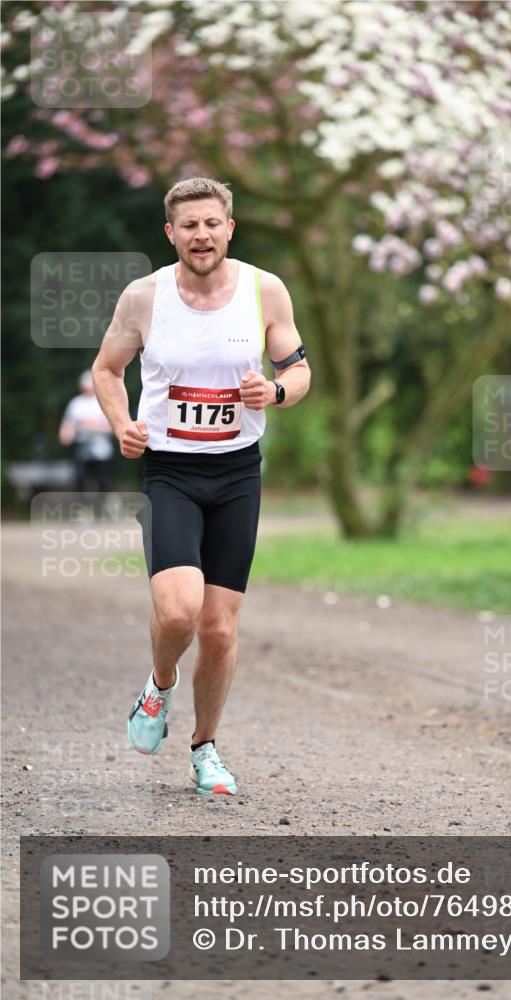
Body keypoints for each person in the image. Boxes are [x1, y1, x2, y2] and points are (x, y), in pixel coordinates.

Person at [91, 177, 310, 796]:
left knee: (218, 628)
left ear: (229, 228)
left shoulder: (265, 291)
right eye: (188, 226)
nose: (201, 235)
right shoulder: (144, 297)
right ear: (171, 234)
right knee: (181, 610)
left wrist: (272, 392)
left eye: (212, 223)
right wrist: (121, 424)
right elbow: (107, 369)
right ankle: (159, 686)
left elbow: (298, 372)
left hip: (238, 471)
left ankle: (205, 748)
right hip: (170, 472)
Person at [58, 370, 115, 508]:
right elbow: (67, 426)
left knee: (103, 482)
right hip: (82, 449)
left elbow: (112, 427)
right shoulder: (76, 403)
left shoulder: (103, 402)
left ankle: (102, 510)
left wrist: (92, 427)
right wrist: (65, 436)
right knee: (80, 481)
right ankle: (82, 510)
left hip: (102, 451)